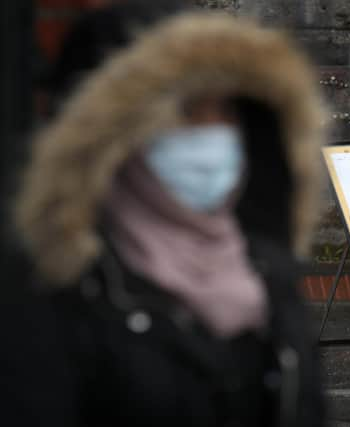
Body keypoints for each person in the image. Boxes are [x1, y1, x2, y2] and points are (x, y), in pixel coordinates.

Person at [3, 9, 327, 427]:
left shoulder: (265, 269)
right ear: (116, 131)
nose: (213, 135)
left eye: (227, 112)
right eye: (189, 112)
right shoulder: (56, 284)